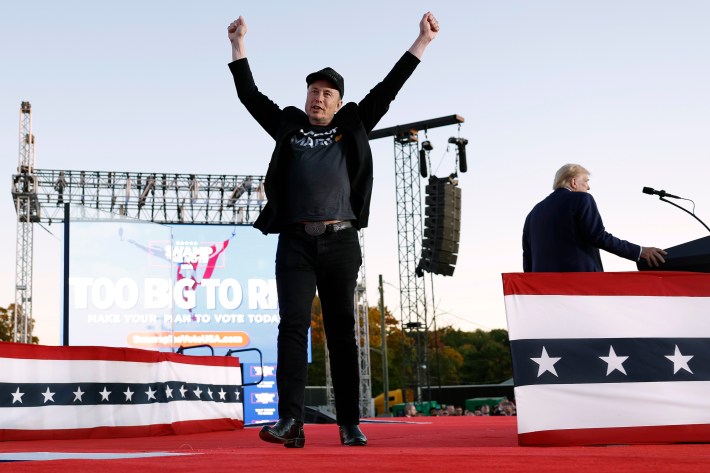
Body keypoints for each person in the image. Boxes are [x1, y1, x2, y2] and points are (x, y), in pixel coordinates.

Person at [227, 12, 440, 448]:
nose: (318, 99)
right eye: (313, 92)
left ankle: (348, 422)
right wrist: (238, 45)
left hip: (341, 241)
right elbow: (250, 96)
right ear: (305, 98)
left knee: (342, 332)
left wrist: (422, 40)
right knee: (292, 327)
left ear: (338, 103)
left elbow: (389, 88)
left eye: (326, 94)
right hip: (296, 242)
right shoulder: (288, 124)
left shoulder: (354, 124)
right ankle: (290, 421)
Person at [522, 164, 667, 272]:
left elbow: (527, 258)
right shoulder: (581, 199)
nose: (588, 187)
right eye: (586, 181)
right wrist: (640, 251)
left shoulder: (533, 213)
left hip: (545, 292)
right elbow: (598, 236)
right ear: (573, 182)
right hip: (581, 284)